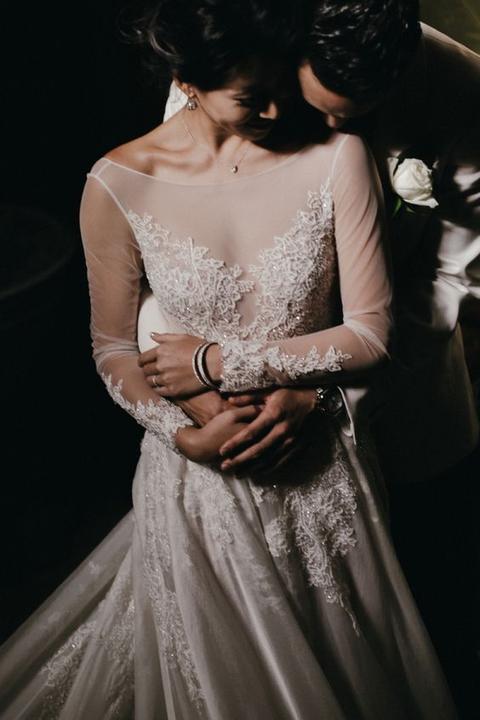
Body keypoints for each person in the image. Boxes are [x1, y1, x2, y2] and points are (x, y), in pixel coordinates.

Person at [0, 1, 458, 717]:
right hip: (195, 474)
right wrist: (180, 432)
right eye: (251, 97)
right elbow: (112, 346)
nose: (276, 110)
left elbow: (372, 334)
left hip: (324, 468)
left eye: (280, 84)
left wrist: (223, 363)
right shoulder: (117, 182)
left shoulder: (337, 154)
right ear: (187, 80)